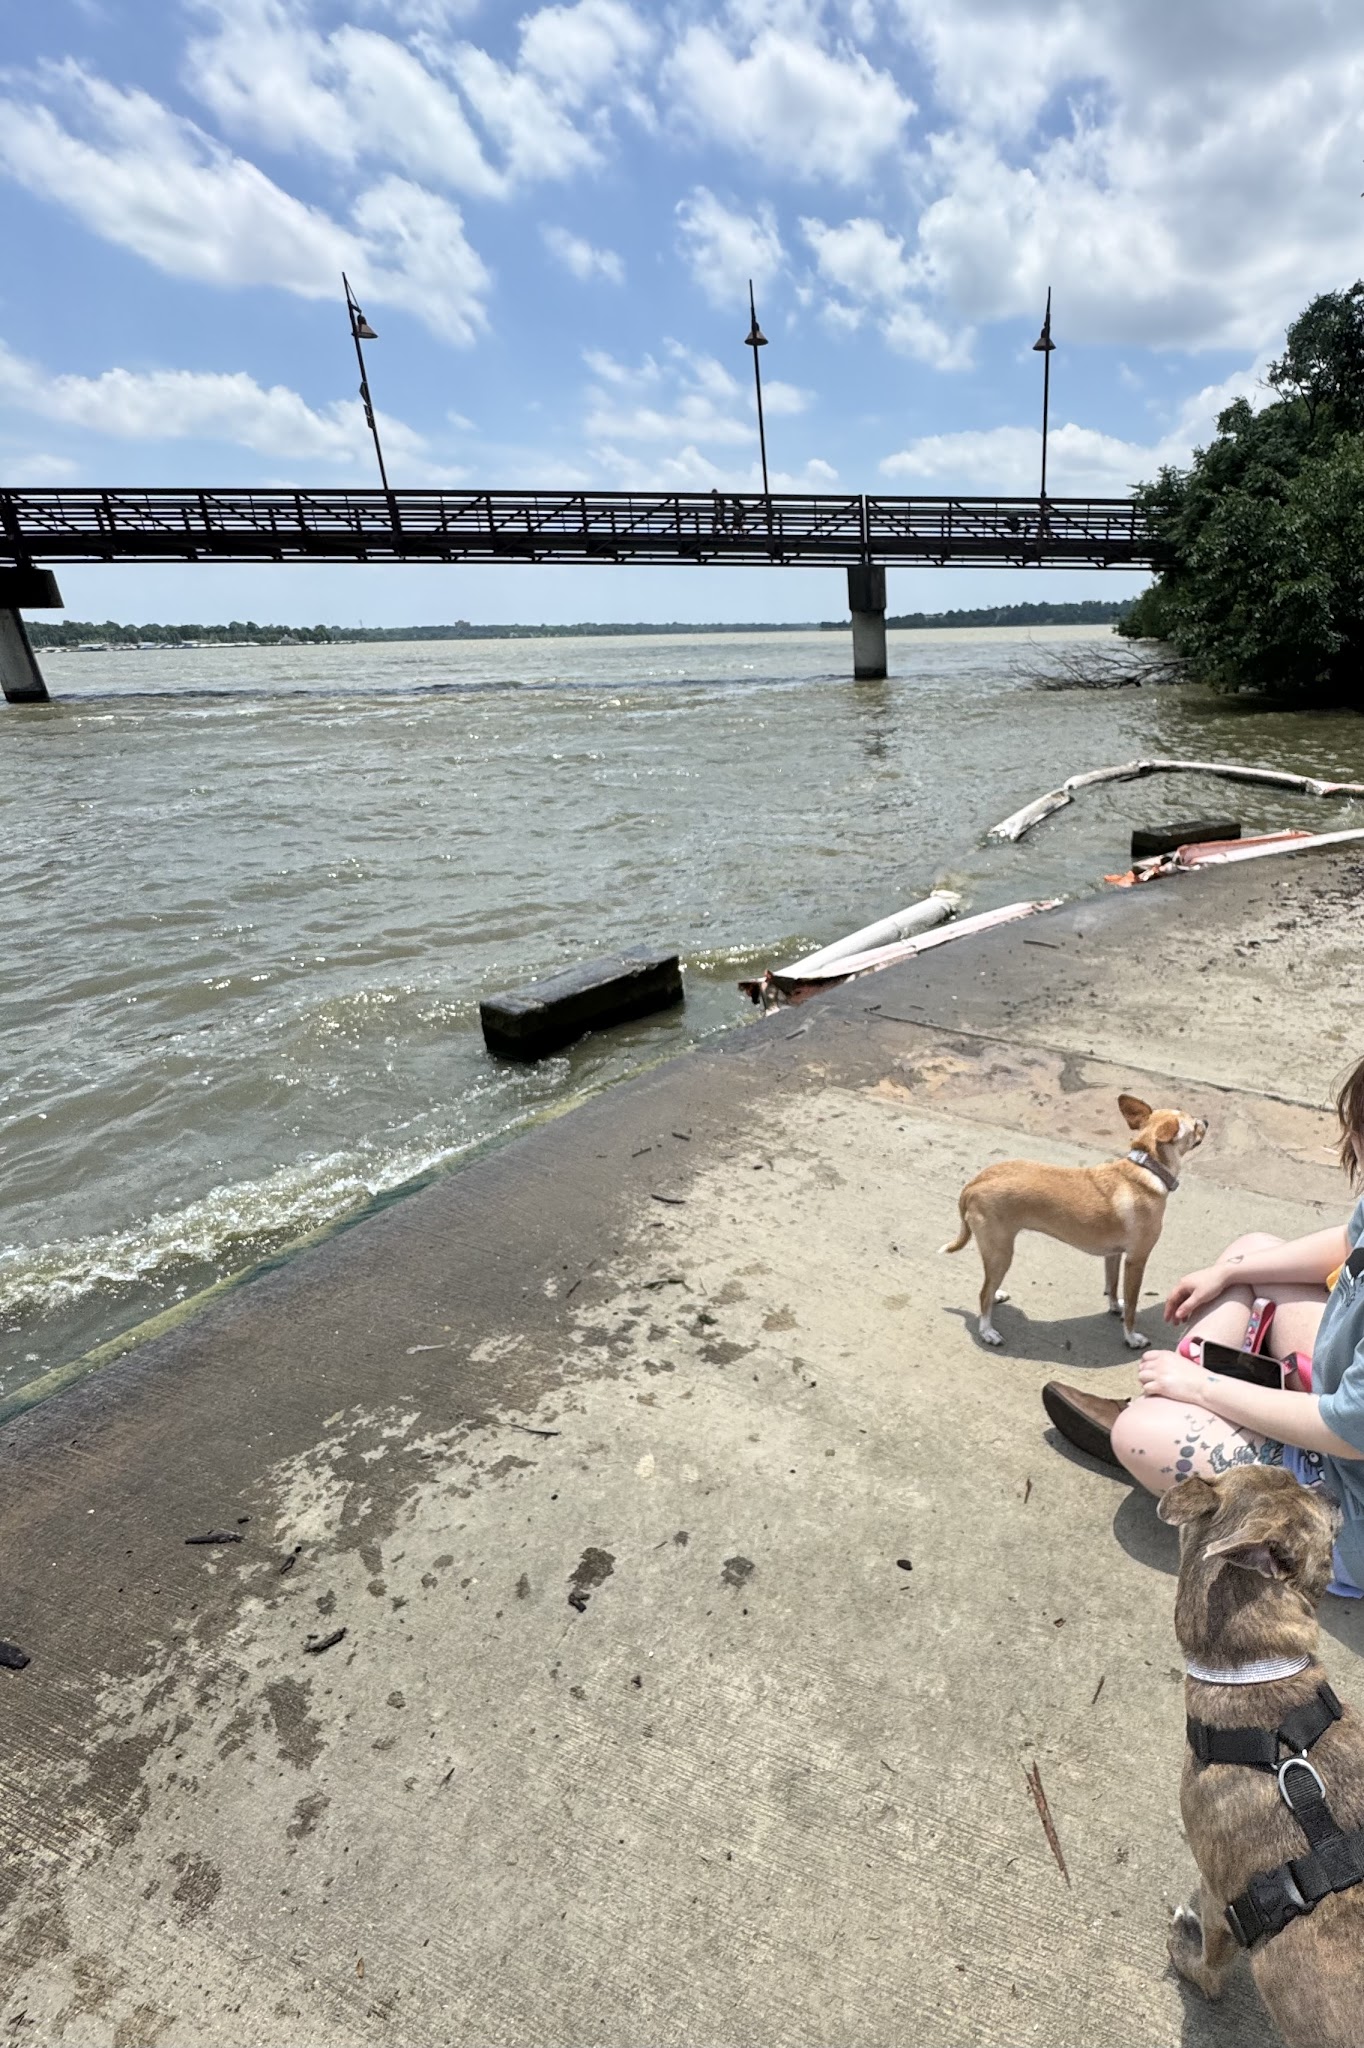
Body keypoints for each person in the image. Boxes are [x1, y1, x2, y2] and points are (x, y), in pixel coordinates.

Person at [1043, 1054, 1364, 1596]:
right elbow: (1348, 1243)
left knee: (1140, 1434)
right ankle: (1190, 1408)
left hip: (1346, 1510)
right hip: (1347, 1416)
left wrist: (1201, 1387)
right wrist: (1230, 1272)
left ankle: (1171, 1418)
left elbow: (1348, 1430)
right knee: (1253, 1254)